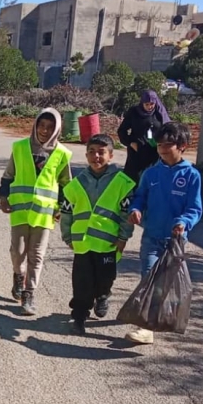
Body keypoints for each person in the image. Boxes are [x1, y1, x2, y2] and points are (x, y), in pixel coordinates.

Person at [125, 122, 202, 345]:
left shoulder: (191, 176)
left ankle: (154, 318)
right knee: (148, 277)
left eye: (168, 145)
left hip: (175, 241)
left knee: (162, 283)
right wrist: (136, 209)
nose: (162, 149)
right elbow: (139, 196)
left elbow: (195, 209)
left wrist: (184, 222)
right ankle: (146, 328)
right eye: (159, 145)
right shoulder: (151, 173)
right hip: (151, 236)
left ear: (183, 146)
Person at [0, 107, 72, 315]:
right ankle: (18, 276)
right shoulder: (21, 147)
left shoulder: (62, 154)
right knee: (18, 252)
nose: (45, 131)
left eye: (50, 127)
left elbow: (67, 184)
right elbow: (8, 175)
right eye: (41, 126)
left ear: (57, 129)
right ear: (35, 125)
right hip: (20, 210)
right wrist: (3, 197)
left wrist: (63, 209)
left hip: (45, 212)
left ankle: (29, 294)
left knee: (36, 255)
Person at [59, 134, 135, 335]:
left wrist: (123, 237)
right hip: (82, 242)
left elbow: (126, 213)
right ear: (86, 155)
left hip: (108, 243)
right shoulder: (76, 184)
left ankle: (102, 295)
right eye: (91, 152)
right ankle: (79, 314)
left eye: (101, 152)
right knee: (81, 280)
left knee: (105, 276)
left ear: (111, 155)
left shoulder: (123, 182)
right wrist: (67, 236)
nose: (96, 156)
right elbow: (67, 212)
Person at [118, 90, 170, 182]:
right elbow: (122, 131)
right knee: (132, 180)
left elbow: (167, 130)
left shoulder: (159, 113)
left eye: (152, 104)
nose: (150, 107)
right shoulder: (134, 112)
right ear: (142, 103)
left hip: (154, 153)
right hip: (137, 152)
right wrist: (130, 143)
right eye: (147, 104)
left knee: (151, 180)